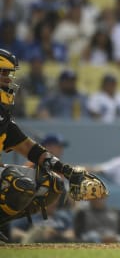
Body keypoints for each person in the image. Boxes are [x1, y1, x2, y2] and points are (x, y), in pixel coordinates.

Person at [0, 48, 102, 241]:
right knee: (19, 182)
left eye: (8, 74)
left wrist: (67, 171)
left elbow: (31, 149)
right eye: (3, 73)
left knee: (52, 182)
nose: (8, 79)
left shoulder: (3, 117)